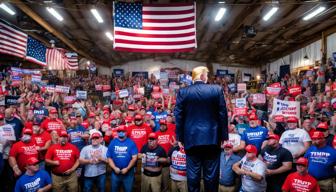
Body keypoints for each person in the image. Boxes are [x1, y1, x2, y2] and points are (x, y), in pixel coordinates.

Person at [174, 66, 228, 192]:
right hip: (212, 138)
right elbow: (222, 114)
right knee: (211, 176)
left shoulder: (183, 92)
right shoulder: (216, 89)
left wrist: (180, 137)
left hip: (191, 139)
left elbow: (178, 116)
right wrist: (224, 136)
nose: (207, 78)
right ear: (202, 76)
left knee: (193, 176)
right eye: (207, 75)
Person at [107, 125, 138, 192]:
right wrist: (114, 168)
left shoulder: (131, 143)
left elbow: (134, 158)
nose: (121, 133)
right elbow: (109, 157)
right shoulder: (113, 142)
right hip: (115, 172)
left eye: (122, 131)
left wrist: (127, 168)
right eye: (119, 131)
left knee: (128, 190)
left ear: (126, 132)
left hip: (128, 173)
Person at [155, 119, 176, 192]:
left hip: (167, 160)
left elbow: (175, 146)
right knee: (157, 184)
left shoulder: (171, 133)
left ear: (166, 125)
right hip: (157, 161)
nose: (162, 126)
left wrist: (174, 144)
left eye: (164, 125)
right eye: (161, 125)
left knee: (166, 183)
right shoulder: (156, 134)